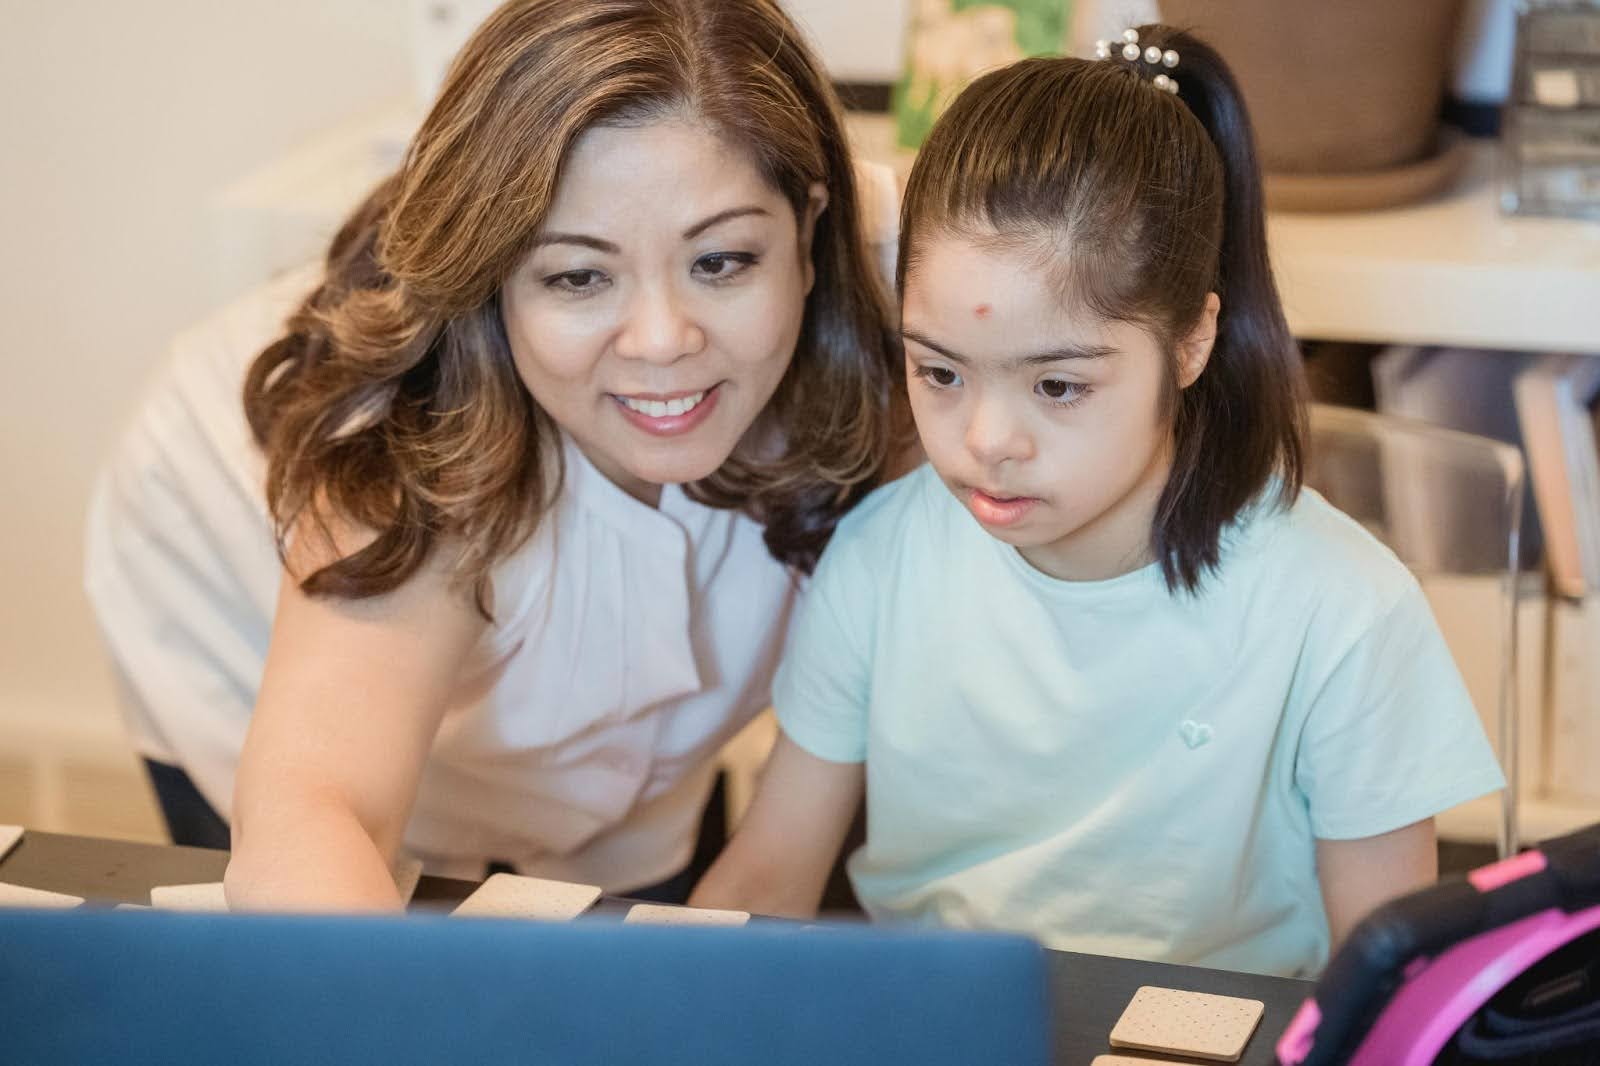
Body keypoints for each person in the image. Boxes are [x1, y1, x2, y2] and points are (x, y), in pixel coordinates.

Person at [690, 26, 1505, 978]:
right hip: (942, 1025)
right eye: (941, 371)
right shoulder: (881, 557)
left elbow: (1391, 988)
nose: (987, 441)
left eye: (1058, 386)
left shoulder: (1344, 613)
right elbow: (770, 872)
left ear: (1192, 341)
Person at [84, 0, 903, 910]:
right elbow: (318, 809)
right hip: (235, 584)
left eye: (721, 262)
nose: (664, 340)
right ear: (493, 277)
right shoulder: (404, 437)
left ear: (811, 228)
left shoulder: (921, 299)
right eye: (577, 276)